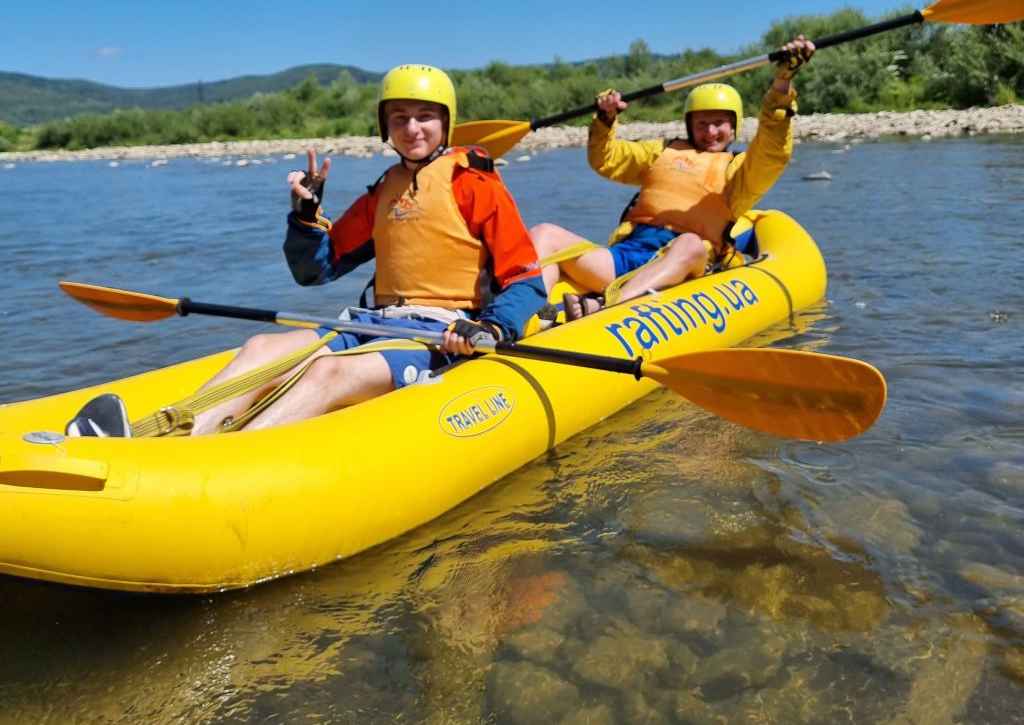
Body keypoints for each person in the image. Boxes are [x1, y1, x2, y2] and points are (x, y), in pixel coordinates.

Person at [190, 64, 546, 434]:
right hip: (371, 323)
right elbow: (317, 269)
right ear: (385, 126)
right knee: (259, 347)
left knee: (327, 371)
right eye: (399, 118)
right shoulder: (381, 193)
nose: (412, 128)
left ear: (445, 122)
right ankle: (185, 435)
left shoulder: (476, 185)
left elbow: (526, 280)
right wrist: (305, 217)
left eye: (425, 116)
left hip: (442, 334)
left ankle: (233, 454)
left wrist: (492, 326)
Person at [530, 37, 815, 319]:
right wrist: (605, 120)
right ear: (689, 125)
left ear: (733, 126)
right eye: (702, 123)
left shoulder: (739, 170)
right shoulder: (662, 152)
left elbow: (771, 150)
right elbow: (607, 159)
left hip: (685, 264)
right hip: (627, 254)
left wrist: (782, 84)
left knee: (690, 242)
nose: (710, 132)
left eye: (719, 123)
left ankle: (607, 307)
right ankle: (527, 312)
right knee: (545, 233)